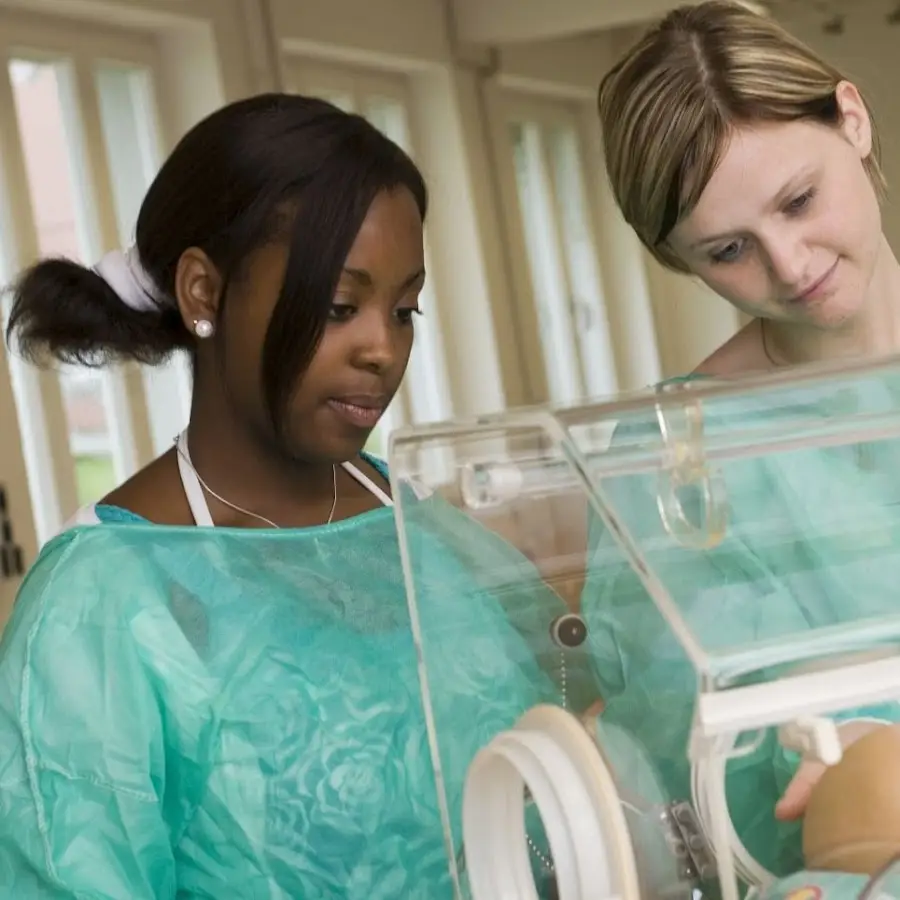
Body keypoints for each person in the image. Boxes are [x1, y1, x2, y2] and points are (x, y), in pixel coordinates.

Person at [0, 93, 590, 898]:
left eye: (405, 309)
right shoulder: (104, 604)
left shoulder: (418, 525)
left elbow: (575, 723)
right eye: (339, 306)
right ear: (205, 292)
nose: (383, 348)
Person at [579, 0, 900, 891]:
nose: (791, 265)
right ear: (678, 258)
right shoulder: (678, 449)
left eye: (799, 200)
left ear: (855, 119)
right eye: (729, 250)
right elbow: (711, 748)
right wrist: (861, 748)